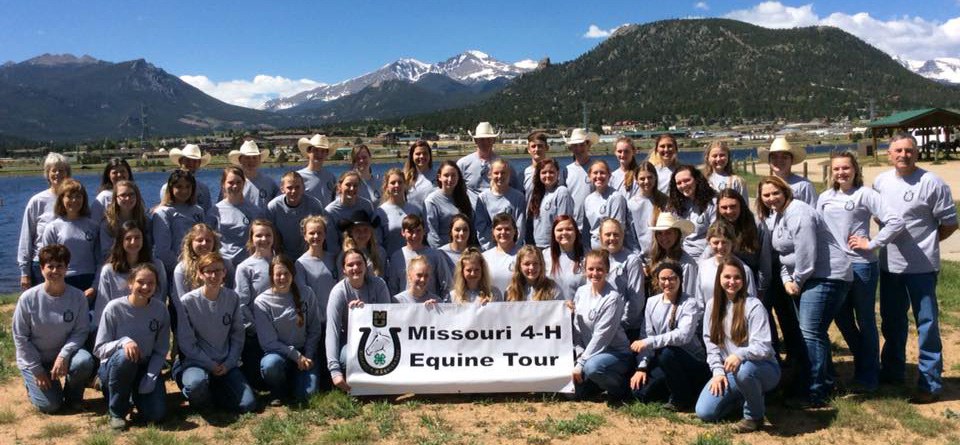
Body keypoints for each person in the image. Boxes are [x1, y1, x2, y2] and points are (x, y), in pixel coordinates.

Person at [873, 132, 958, 403]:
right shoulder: (880, 182)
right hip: (890, 266)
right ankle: (893, 370)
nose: (903, 155)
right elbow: (879, 218)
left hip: (922, 268)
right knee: (892, 321)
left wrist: (927, 242)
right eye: (897, 150)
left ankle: (930, 383)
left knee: (927, 324)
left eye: (908, 150)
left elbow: (949, 224)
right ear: (889, 154)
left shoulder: (932, 183)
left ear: (917, 153)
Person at [758, 175, 852, 407]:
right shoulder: (778, 217)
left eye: (775, 193)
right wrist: (786, 279)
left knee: (810, 332)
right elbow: (782, 256)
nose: (771, 198)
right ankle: (827, 381)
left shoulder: (798, 212)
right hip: (808, 278)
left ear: (786, 192)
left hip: (827, 276)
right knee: (815, 332)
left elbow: (806, 254)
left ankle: (813, 392)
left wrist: (797, 281)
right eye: (766, 195)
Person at [818, 151, 905, 393]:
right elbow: (817, 228)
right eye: (836, 169)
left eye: (846, 168)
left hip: (861, 265)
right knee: (842, 318)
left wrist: (872, 243)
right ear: (831, 172)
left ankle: (868, 375)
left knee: (865, 319)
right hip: (834, 267)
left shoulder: (865, 194)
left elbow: (895, 221)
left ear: (855, 170)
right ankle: (865, 360)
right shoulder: (824, 197)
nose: (841, 173)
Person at [696, 257, 779, 433]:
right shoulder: (712, 305)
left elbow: (763, 346)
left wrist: (740, 354)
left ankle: (754, 416)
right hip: (730, 371)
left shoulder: (754, 306)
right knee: (705, 412)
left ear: (744, 280)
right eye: (727, 277)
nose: (732, 282)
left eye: (737, 277)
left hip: (762, 368)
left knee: (745, 371)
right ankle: (745, 397)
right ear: (719, 279)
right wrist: (718, 372)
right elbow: (710, 344)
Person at [13, 244, 95, 414]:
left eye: (60, 266)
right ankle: (34, 386)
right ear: (42, 269)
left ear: (66, 268)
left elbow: (80, 332)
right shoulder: (28, 299)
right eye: (50, 266)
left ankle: (73, 398)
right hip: (34, 360)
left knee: (84, 361)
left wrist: (64, 355)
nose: (55, 271)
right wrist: (37, 370)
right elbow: (20, 338)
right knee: (51, 406)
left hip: (61, 356)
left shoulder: (78, 297)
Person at [174, 252, 255, 413]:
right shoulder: (187, 302)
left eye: (218, 271)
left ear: (224, 272)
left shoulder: (232, 298)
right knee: (195, 385)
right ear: (200, 274)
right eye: (208, 271)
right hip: (197, 362)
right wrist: (210, 365)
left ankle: (215, 389)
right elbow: (186, 342)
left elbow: (237, 334)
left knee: (248, 405)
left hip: (225, 363)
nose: (213, 275)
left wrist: (230, 362)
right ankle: (190, 384)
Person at [94, 263, 169, 430]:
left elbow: (161, 349)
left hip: (144, 366)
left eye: (151, 283)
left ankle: (133, 394)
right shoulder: (114, 308)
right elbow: (99, 348)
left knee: (156, 415)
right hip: (116, 365)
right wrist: (123, 342)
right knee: (125, 356)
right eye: (140, 282)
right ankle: (117, 413)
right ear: (130, 283)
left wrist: (150, 376)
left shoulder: (160, 310)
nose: (145, 287)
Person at [631, 262, 709, 412]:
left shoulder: (690, 303)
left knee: (668, 352)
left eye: (672, 278)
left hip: (690, 360)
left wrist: (649, 342)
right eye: (663, 279)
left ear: (680, 279)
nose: (667, 283)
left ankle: (682, 399)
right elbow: (646, 334)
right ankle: (681, 389)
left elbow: (683, 336)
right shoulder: (652, 302)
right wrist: (642, 367)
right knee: (639, 393)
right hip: (664, 360)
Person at [255, 255, 322, 404]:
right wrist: (295, 356)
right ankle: (279, 391)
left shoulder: (307, 293)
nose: (282, 278)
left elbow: (315, 328)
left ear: (293, 274)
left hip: (305, 352)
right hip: (279, 354)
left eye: (286, 273)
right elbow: (269, 342)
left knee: (306, 397)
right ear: (271, 276)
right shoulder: (262, 302)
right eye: (278, 274)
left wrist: (309, 354)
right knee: (270, 365)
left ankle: (297, 380)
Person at [570, 249, 633, 403]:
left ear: (607, 270)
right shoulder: (581, 292)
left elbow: (602, 336)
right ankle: (597, 384)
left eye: (600, 269)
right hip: (589, 353)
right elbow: (577, 329)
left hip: (615, 353)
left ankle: (622, 390)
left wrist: (581, 363)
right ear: (585, 271)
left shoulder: (613, 298)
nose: (595, 273)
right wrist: (579, 354)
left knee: (592, 368)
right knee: (571, 394)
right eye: (591, 269)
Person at [326, 249, 393, 392]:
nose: (355, 268)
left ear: (365, 266)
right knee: (346, 358)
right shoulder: (338, 292)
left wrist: (364, 314)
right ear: (343, 270)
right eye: (350, 265)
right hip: (348, 339)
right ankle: (356, 386)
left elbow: (387, 320)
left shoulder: (379, 284)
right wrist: (334, 371)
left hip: (377, 336)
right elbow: (332, 331)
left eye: (359, 263)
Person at [95, 221, 168, 336]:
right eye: (128, 238)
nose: (133, 242)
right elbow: (102, 306)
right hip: (117, 330)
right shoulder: (109, 270)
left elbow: (160, 298)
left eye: (137, 237)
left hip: (148, 328)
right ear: (121, 241)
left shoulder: (157, 266)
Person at [234, 219, 280, 388]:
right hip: (256, 333)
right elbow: (242, 304)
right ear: (251, 239)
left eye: (268, 235)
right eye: (259, 235)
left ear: (274, 237)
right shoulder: (245, 267)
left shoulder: (282, 263)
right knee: (258, 384)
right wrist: (257, 329)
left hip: (282, 329)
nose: (264, 239)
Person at [40, 179, 100, 299]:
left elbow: (100, 260)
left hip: (89, 281)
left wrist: (95, 286)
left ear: (84, 199)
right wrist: (55, 285)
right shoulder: (53, 228)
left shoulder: (93, 226)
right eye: (69, 196)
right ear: (62, 199)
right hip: (63, 280)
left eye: (78, 196)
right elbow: (46, 262)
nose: (74, 200)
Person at [19, 152, 71, 290]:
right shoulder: (37, 201)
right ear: (47, 174)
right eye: (54, 170)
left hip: (68, 266)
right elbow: (26, 237)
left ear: (68, 173)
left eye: (62, 170)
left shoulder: (75, 200)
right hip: (41, 265)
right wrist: (24, 272)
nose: (58, 174)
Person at [207, 167, 267, 268]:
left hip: (248, 265)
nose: (235, 186)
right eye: (230, 182)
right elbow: (208, 240)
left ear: (244, 183)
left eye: (239, 182)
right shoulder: (214, 211)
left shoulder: (256, 211)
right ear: (223, 184)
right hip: (223, 266)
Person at [598, 219, 645, 339]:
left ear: (623, 236)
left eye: (616, 234)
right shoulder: (596, 260)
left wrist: (621, 325)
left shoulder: (632, 260)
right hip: (601, 328)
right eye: (608, 234)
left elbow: (637, 301)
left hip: (625, 330)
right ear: (600, 236)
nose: (612, 238)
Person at [425, 161, 489, 248]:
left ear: (458, 177)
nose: (450, 179)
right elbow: (432, 234)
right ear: (439, 177)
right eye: (446, 175)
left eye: (453, 175)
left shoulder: (465, 197)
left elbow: (473, 228)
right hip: (445, 253)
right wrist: (442, 255)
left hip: (466, 251)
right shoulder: (432, 201)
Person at [152, 170, 205, 274]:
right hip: (175, 270)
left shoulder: (198, 211)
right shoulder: (163, 213)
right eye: (179, 187)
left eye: (188, 186)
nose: (184, 191)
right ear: (171, 189)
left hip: (198, 268)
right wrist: (183, 268)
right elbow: (162, 251)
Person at [695, 220, 757, 308]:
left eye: (725, 242)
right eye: (716, 242)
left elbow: (750, 303)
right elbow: (699, 300)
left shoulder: (744, 270)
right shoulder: (703, 267)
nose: (720, 247)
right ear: (709, 242)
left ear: (732, 243)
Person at [267, 171, 329, 258]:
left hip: (309, 253)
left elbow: (322, 232)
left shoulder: (314, 204)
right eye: (289, 188)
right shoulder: (273, 207)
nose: (293, 191)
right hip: (283, 255)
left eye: (297, 187)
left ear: (303, 188)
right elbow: (271, 233)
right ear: (282, 189)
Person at [172, 223, 235, 305]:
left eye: (208, 240)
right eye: (199, 240)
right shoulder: (182, 269)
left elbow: (232, 292)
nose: (204, 243)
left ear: (214, 243)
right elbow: (181, 301)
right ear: (191, 243)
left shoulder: (225, 263)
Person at [387, 214, 450, 297]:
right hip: (405, 307)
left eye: (418, 231)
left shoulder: (435, 255)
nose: (414, 235)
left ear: (424, 231)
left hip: (430, 306)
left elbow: (446, 285)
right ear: (403, 232)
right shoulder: (397, 257)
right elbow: (393, 288)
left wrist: (443, 305)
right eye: (410, 231)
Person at [326, 171, 383, 253]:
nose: (352, 188)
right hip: (343, 255)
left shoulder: (366, 205)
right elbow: (332, 243)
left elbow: (374, 231)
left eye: (355, 185)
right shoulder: (330, 211)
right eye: (348, 185)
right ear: (339, 186)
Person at [458, 122, 522, 193]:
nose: (485, 142)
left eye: (488, 139)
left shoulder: (505, 165)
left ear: (493, 140)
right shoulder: (463, 164)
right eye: (482, 139)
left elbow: (516, 189)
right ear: (476, 141)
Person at [668, 165, 717, 259]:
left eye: (687, 180)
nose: (683, 185)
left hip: (707, 256)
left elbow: (715, 237)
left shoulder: (713, 202)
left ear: (696, 179)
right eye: (679, 183)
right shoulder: (677, 204)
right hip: (683, 255)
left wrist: (702, 262)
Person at [581, 160, 629, 250]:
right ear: (589, 176)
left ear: (609, 175)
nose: (598, 176)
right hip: (594, 250)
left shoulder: (616, 197)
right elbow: (587, 230)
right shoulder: (588, 200)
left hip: (610, 249)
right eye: (595, 173)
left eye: (602, 173)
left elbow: (618, 228)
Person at [647, 212, 698, 296]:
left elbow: (689, 295)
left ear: (677, 234)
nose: (663, 237)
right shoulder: (656, 258)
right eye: (660, 233)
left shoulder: (687, 264)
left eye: (668, 233)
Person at [528, 158, 575, 248]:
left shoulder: (561, 192)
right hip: (538, 246)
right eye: (544, 172)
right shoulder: (538, 194)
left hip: (554, 246)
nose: (548, 175)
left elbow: (564, 224)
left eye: (551, 172)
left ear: (558, 173)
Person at [377, 168, 424, 257]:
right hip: (392, 262)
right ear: (386, 186)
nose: (397, 185)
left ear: (405, 185)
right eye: (393, 183)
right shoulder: (380, 212)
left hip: (416, 260)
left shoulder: (415, 210)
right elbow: (378, 244)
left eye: (400, 182)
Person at [478, 159, 526, 242]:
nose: (500, 176)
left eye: (503, 173)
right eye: (496, 173)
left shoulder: (518, 197)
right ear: (490, 175)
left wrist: (515, 248)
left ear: (509, 174)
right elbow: (481, 227)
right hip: (491, 249)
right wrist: (490, 249)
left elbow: (520, 227)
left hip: (513, 247)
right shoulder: (482, 198)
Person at [99, 180, 151, 256]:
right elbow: (106, 253)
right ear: (115, 198)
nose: (127, 198)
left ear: (137, 197)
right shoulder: (108, 224)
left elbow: (150, 248)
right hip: (116, 264)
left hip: (142, 264)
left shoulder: (145, 221)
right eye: (123, 195)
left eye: (131, 194)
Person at [760, 137, 816, 206]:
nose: (779, 160)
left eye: (784, 157)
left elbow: (812, 212)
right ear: (769, 161)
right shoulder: (765, 186)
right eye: (774, 157)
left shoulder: (803, 186)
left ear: (791, 160)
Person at [626, 162, 668, 255]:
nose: (646, 181)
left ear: (655, 178)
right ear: (636, 180)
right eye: (642, 178)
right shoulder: (632, 204)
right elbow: (631, 235)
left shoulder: (664, 200)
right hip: (642, 257)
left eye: (650, 177)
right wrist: (638, 256)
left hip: (664, 254)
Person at [543, 215, 586, 301]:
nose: (564, 233)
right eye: (559, 230)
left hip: (578, 309)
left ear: (576, 232)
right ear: (554, 233)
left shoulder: (587, 255)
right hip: (553, 310)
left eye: (569, 229)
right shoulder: (544, 255)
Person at [337, 209, 388, 278]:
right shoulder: (344, 255)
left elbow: (383, 278)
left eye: (365, 229)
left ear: (371, 231)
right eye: (357, 230)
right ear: (351, 233)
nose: (362, 234)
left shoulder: (380, 252)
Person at [230, 139, 278, 210]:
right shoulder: (231, 183)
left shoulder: (270, 183)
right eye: (247, 158)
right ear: (240, 160)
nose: (251, 161)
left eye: (254, 157)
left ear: (259, 160)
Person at [163, 144, 213, 212]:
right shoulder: (167, 188)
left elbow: (208, 213)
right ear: (180, 161)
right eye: (188, 160)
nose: (191, 164)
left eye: (195, 161)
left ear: (199, 164)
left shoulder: (204, 189)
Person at [482, 213, 522, 296]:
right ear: (493, 232)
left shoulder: (523, 254)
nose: (503, 232)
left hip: (518, 305)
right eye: (499, 229)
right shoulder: (484, 257)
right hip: (493, 306)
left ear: (515, 231)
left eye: (507, 229)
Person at [563, 128, 598, 217]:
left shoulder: (597, 168)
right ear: (571, 148)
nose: (578, 148)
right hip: (573, 223)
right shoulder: (566, 171)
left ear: (588, 145)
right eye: (575, 145)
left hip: (594, 222)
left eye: (582, 145)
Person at [297, 134, 337, 207]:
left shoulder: (331, 177)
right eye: (315, 150)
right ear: (308, 152)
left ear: (326, 154)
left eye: (323, 151)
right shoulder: (298, 177)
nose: (319, 154)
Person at [523, 131, 564, 199]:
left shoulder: (557, 172)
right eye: (533, 146)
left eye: (540, 146)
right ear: (528, 150)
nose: (537, 149)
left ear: (547, 148)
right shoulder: (525, 173)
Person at [91, 157, 134, 222]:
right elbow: (94, 223)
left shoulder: (134, 193)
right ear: (108, 175)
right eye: (115, 173)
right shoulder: (104, 197)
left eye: (122, 171)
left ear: (128, 173)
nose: (119, 175)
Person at [403, 140, 437, 212]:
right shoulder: (405, 178)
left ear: (430, 156)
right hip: (413, 221)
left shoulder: (438, 176)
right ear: (412, 156)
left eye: (425, 153)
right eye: (418, 154)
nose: (422, 156)